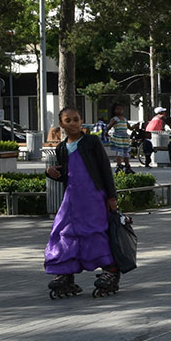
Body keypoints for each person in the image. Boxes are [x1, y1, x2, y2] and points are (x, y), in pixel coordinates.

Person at [43, 108, 123, 299]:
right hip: (71, 200)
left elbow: (105, 169)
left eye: (76, 119)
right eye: (68, 120)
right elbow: (65, 176)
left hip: (94, 197)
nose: (73, 123)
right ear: (61, 124)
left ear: (81, 121)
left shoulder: (91, 142)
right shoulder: (61, 148)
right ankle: (65, 272)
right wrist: (50, 172)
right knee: (63, 233)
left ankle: (110, 270)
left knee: (95, 232)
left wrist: (111, 197)